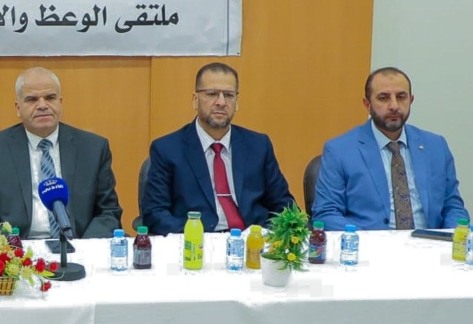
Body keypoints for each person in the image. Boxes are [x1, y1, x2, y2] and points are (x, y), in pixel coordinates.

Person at [0, 67, 122, 239]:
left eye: (50, 98)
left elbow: (108, 212)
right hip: (17, 248)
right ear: (18, 108)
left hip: (79, 245)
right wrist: (12, 246)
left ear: (60, 102)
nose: (42, 106)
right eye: (31, 99)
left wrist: (83, 248)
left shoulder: (92, 148)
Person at [141, 63, 295, 235]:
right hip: (197, 243)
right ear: (195, 100)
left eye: (229, 95)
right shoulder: (168, 149)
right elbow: (155, 213)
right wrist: (199, 236)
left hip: (252, 241)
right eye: (212, 94)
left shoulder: (258, 145)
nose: (221, 102)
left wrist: (265, 234)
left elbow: (284, 206)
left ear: (236, 102)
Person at [313, 67, 468, 230]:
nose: (394, 106)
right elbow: (326, 213)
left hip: (429, 242)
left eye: (401, 97)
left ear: (411, 100)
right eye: (383, 98)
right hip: (369, 243)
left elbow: (453, 207)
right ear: (367, 104)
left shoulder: (436, 146)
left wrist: (453, 235)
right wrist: (367, 240)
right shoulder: (340, 150)